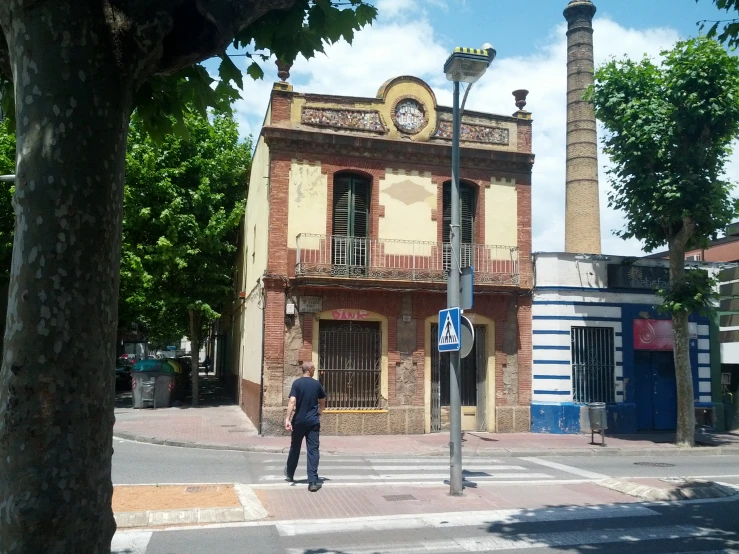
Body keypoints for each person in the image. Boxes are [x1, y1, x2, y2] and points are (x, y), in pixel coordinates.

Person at [284, 361, 326, 492]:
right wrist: (319, 412)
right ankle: (312, 481)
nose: (314, 370)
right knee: (313, 450)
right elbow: (323, 401)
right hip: (313, 422)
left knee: (295, 447)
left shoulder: (297, 384)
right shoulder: (316, 384)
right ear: (311, 370)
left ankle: (290, 474)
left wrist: (287, 419)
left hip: (299, 421)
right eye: (314, 368)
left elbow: (292, 401)